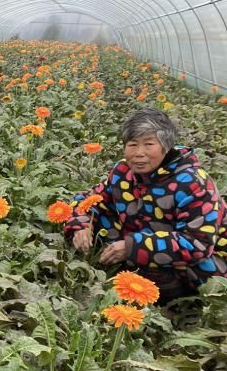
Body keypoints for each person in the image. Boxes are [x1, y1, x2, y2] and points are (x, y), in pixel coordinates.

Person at [64, 108, 227, 304]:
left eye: (148, 144)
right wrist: (82, 226)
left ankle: (175, 299)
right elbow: (88, 200)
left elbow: (198, 244)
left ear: (166, 146)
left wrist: (133, 247)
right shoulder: (122, 172)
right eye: (132, 145)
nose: (139, 153)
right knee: (95, 222)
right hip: (143, 239)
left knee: (198, 272)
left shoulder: (192, 183)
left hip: (203, 258)